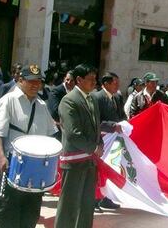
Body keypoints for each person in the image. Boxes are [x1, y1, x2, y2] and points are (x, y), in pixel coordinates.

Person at [0, 64, 58, 227]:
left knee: (31, 212)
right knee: (8, 211)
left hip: (36, 167)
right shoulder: (8, 101)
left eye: (38, 82)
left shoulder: (41, 105)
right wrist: (1, 158)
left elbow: (51, 134)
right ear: (20, 80)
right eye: (31, 81)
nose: (36, 85)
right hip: (12, 164)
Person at [55, 64, 102, 228]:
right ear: (79, 80)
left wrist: (99, 143)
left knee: (87, 204)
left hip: (90, 161)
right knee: (69, 204)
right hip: (74, 160)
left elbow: (97, 125)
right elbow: (73, 133)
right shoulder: (69, 100)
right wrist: (94, 148)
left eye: (95, 79)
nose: (94, 82)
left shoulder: (92, 99)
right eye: (90, 79)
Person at [91, 72, 125, 211]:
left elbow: (121, 116)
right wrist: (113, 126)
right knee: (97, 171)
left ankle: (107, 198)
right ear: (106, 84)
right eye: (115, 83)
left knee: (111, 169)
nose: (117, 86)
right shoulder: (97, 97)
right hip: (101, 140)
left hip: (115, 142)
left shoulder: (117, 97)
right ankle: (94, 199)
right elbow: (95, 121)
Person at [47, 70, 75, 140]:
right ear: (64, 79)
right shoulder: (56, 92)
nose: (69, 82)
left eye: (72, 80)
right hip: (57, 130)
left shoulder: (75, 92)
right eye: (67, 79)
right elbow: (55, 111)